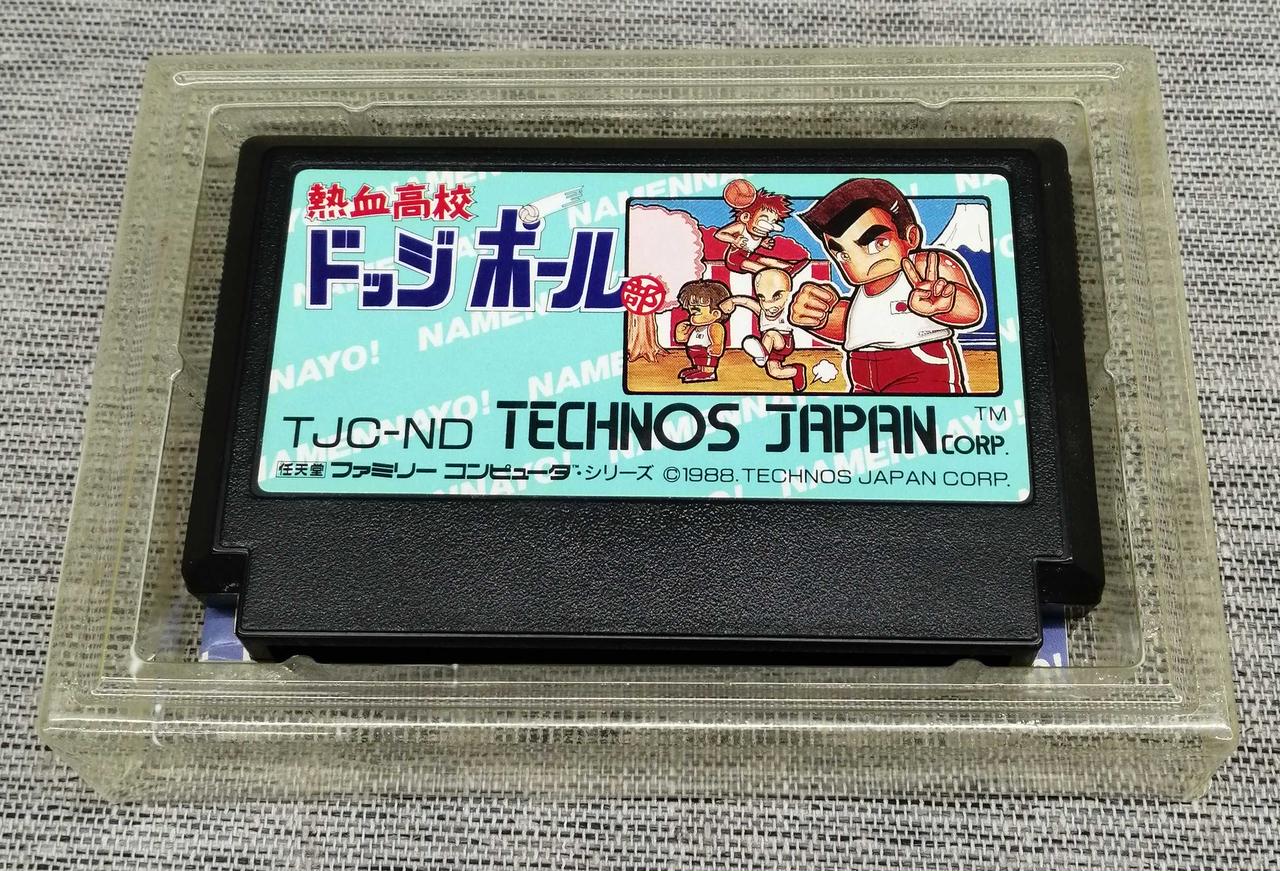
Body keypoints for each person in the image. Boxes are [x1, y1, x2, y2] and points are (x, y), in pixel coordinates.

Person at [791, 178, 983, 394]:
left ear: (910, 237)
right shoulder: (862, 293)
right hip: (861, 370)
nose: (859, 263)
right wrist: (818, 317)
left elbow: (971, 312)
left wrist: (947, 305)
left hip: (919, 363)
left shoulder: (923, 266)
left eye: (877, 244)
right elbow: (853, 326)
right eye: (843, 255)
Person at [724, 267, 807, 392]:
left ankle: (762, 355)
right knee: (775, 372)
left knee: (771, 334)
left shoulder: (788, 309)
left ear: (788, 294)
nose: (769, 305)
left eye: (776, 297)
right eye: (762, 298)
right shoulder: (762, 310)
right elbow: (746, 302)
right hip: (769, 349)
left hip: (783, 342)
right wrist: (731, 301)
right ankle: (796, 371)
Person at [672, 279, 732, 384]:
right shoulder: (695, 326)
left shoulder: (715, 327)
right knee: (699, 362)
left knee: (706, 363)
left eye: (696, 313)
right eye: (691, 313)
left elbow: (717, 343)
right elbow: (682, 339)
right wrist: (680, 332)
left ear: (715, 314)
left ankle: (709, 373)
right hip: (695, 353)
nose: (691, 316)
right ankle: (698, 369)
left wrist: (716, 347)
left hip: (706, 353)